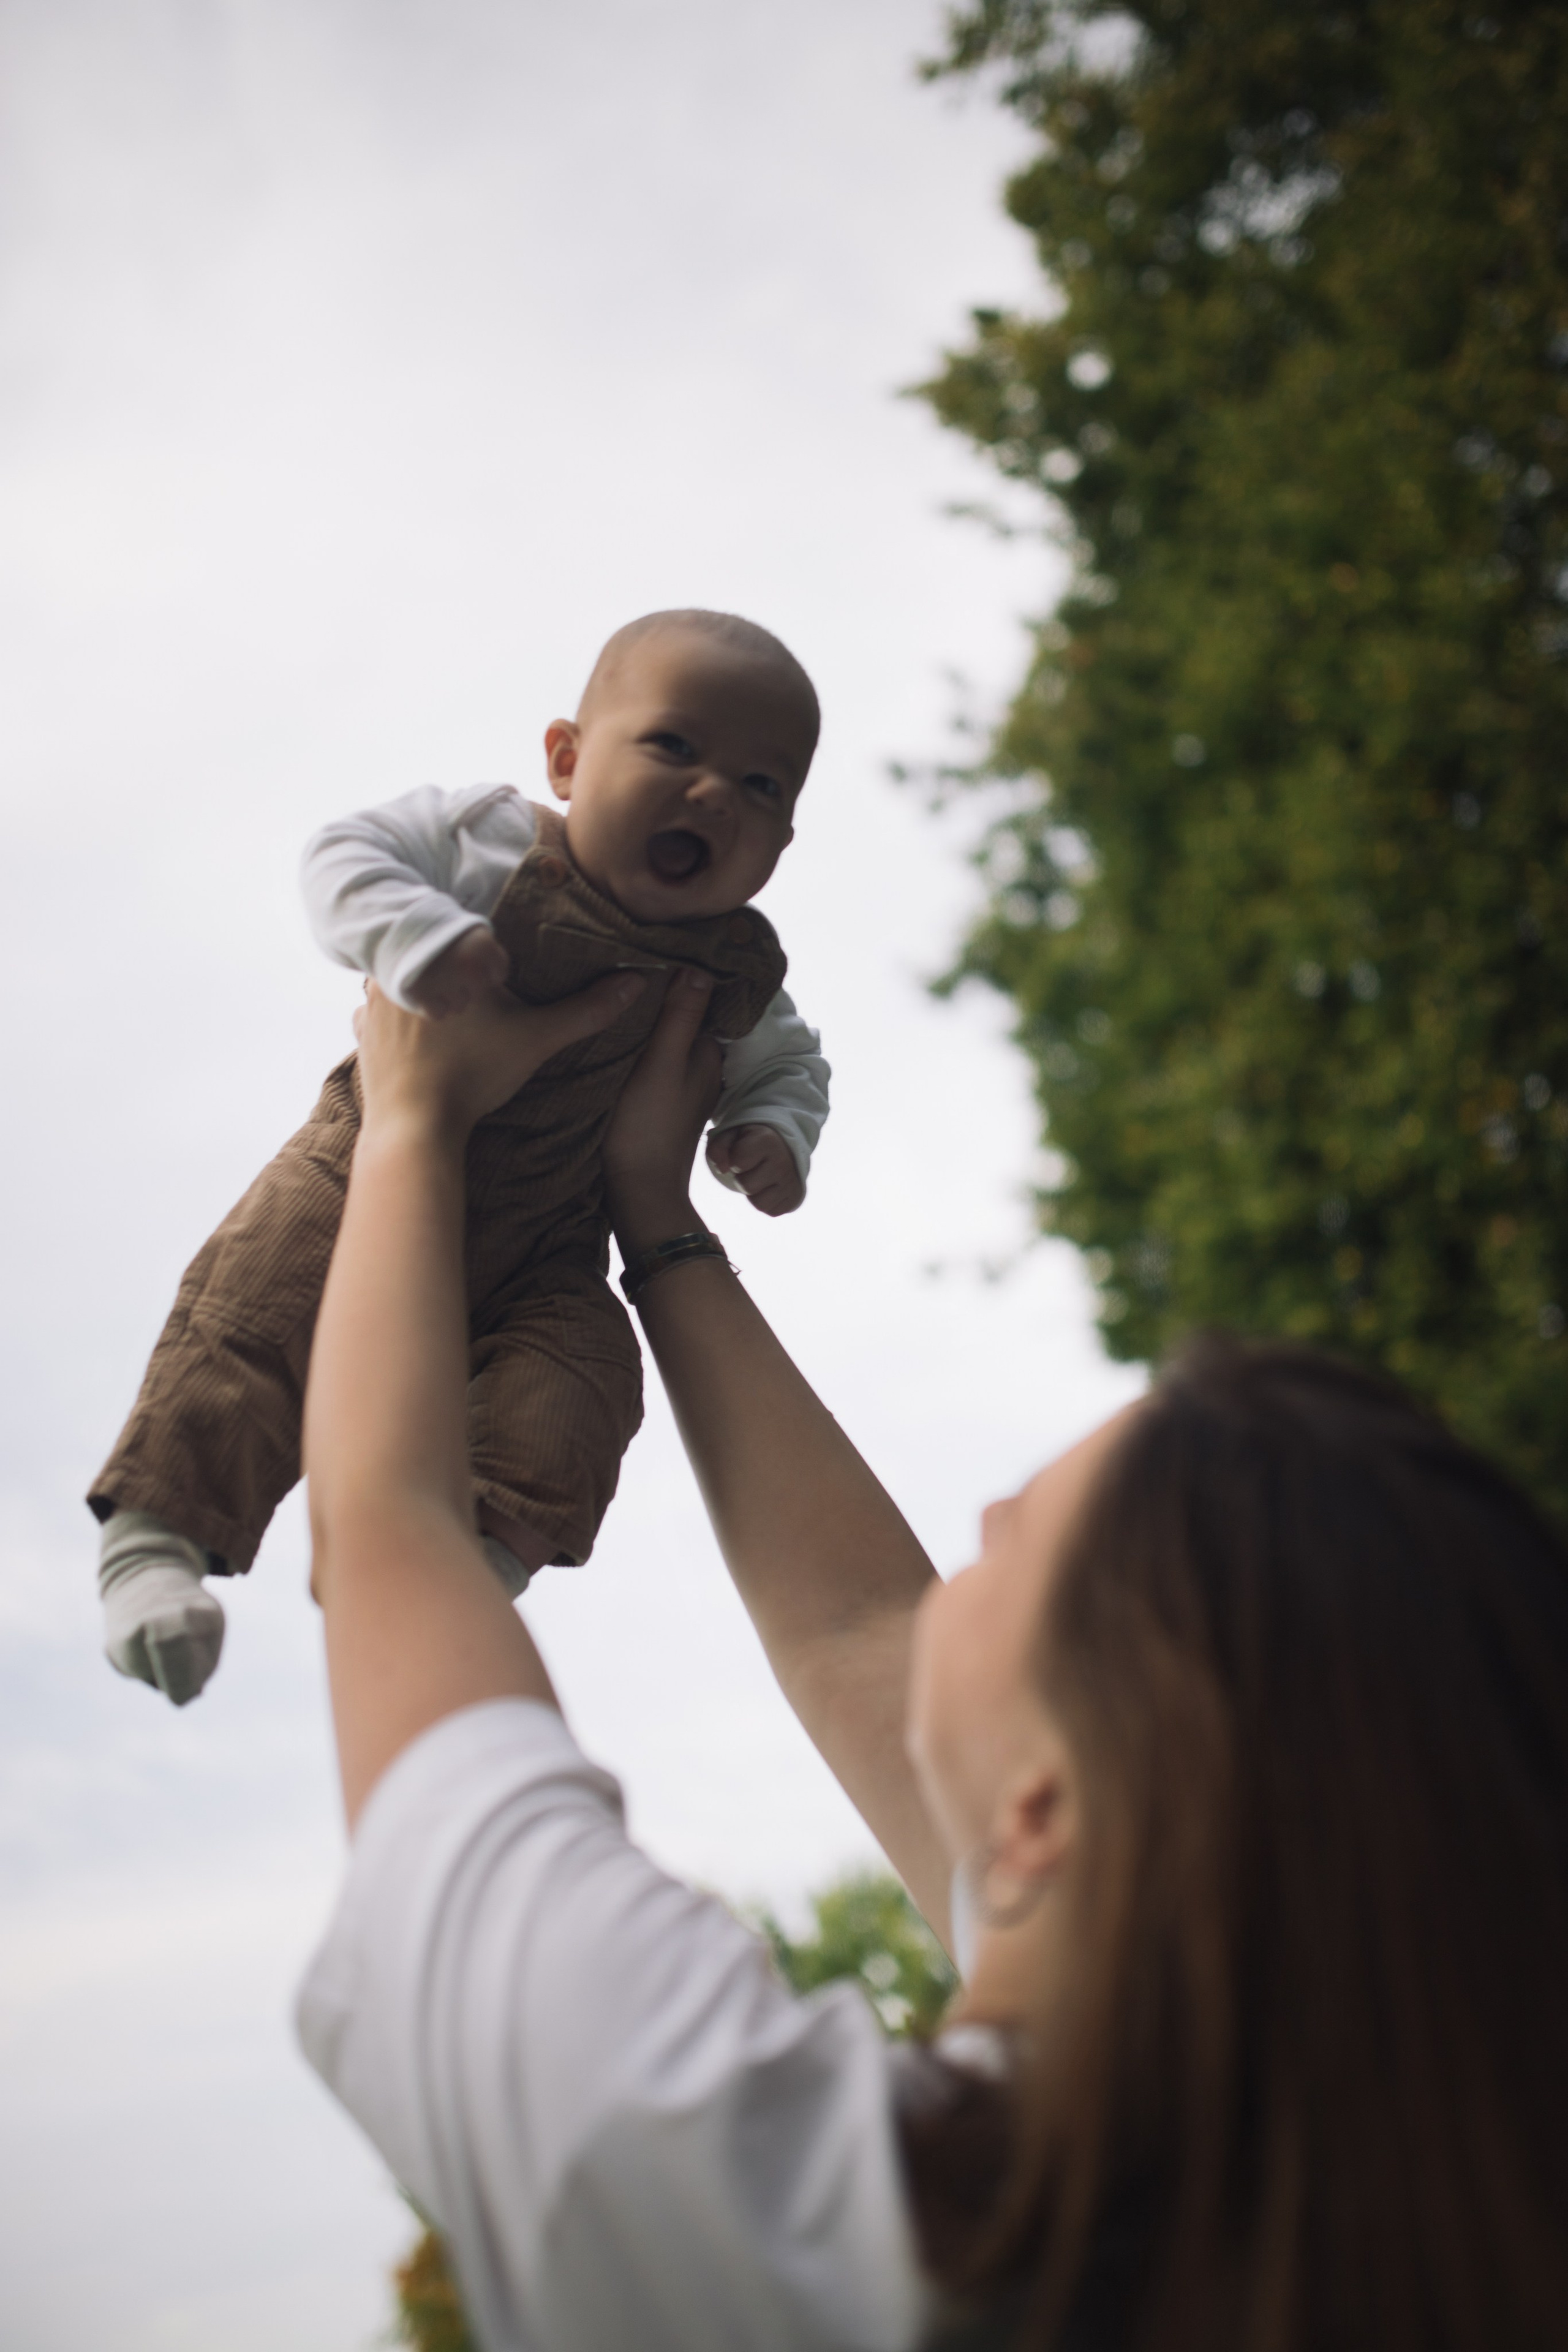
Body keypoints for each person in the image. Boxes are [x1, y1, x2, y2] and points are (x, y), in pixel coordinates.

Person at [297, 966, 1568, 2352]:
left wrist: (413, 1119)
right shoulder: (1355, 2214)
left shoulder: (745, 2175)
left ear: (1042, 1814)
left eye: (1003, 1554)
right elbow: (857, 1632)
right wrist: (652, 1220)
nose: (968, 1532)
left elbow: (392, 1529)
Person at [89, 609, 830, 1706]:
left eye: (761, 786)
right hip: (359, 1168)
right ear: (567, 760)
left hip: (553, 1244)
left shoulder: (737, 971)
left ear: (781, 846)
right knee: (257, 1310)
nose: (715, 792)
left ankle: (475, 1566)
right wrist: (410, 933)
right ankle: (156, 1542)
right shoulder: (493, 844)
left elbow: (793, 1065)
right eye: (674, 746)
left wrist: (773, 1132)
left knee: (584, 1378)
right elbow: (347, 855)